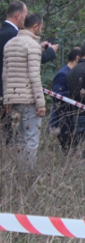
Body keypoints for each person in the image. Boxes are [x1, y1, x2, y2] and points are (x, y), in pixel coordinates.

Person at [2, 12, 46, 169]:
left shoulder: (9, 44)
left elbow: (5, 75)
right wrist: (41, 103)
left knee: (20, 140)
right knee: (31, 141)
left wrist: (8, 99)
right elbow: (34, 76)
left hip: (13, 101)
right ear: (35, 26)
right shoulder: (33, 46)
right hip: (29, 101)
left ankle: (19, 176)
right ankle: (28, 177)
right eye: (41, 27)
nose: (41, 30)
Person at [0, 1, 27, 145]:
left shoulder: (2, 32)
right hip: (8, 92)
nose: (26, 19)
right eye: (25, 15)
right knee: (10, 135)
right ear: (18, 15)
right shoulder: (14, 36)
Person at [49, 47, 80, 152]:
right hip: (63, 122)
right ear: (78, 59)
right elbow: (58, 96)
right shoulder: (63, 74)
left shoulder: (72, 73)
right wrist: (79, 95)